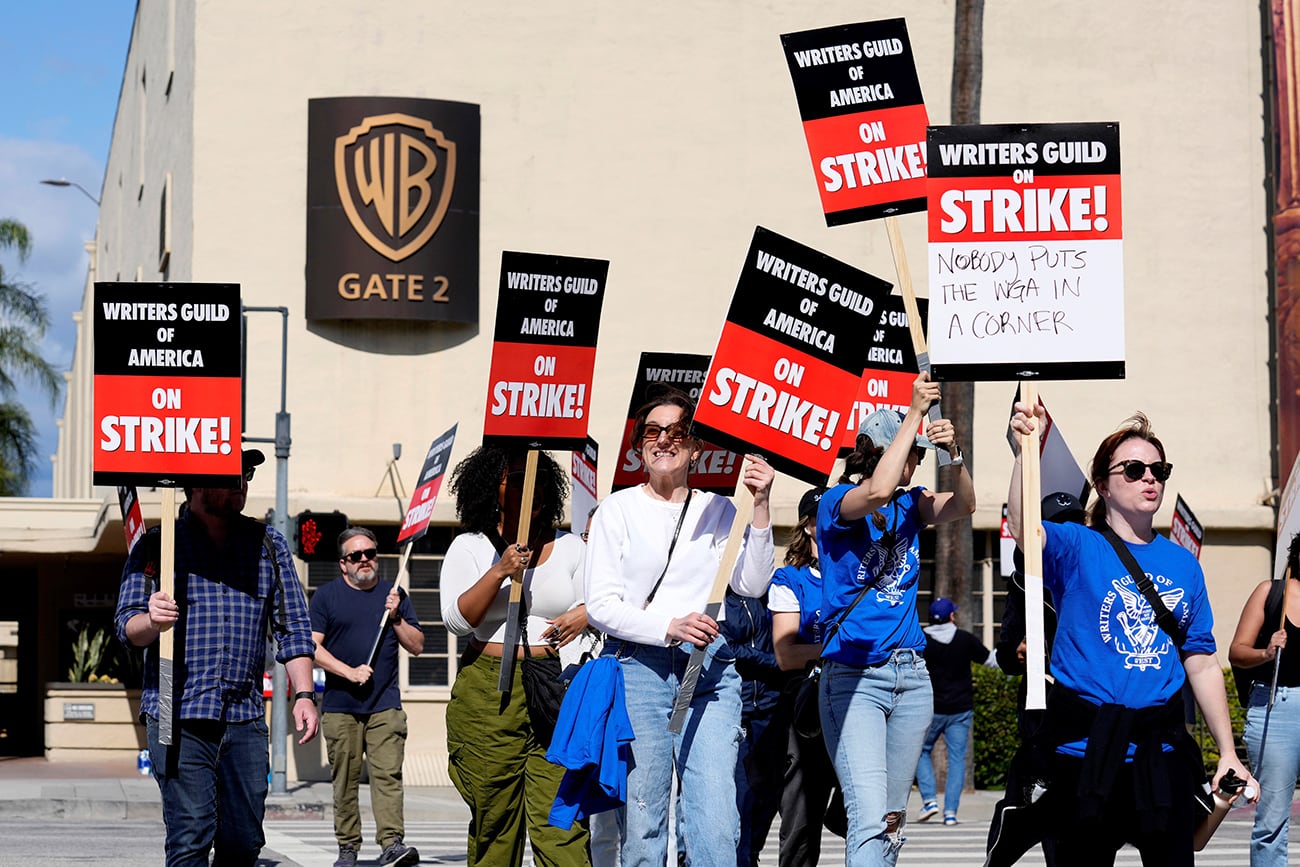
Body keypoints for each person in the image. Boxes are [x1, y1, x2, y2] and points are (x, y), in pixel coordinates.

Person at [1007, 405, 1256, 867]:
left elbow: (1199, 660)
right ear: (1102, 484)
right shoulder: (1077, 544)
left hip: (1159, 755)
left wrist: (1227, 752)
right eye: (1135, 469)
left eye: (1159, 470)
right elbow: (1023, 530)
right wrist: (1025, 453)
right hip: (1082, 755)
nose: (1151, 479)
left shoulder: (1183, 564)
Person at [584, 388, 775, 867]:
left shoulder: (720, 509)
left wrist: (762, 505)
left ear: (696, 448)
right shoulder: (617, 510)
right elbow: (601, 606)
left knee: (714, 822)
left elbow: (752, 584)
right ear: (638, 447)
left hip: (710, 674)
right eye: (653, 431)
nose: (664, 439)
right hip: (639, 672)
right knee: (645, 825)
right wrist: (669, 624)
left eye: (677, 432)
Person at [114, 448, 320, 867]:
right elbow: (127, 626)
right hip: (177, 710)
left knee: (244, 840)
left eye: (245, 475)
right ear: (196, 484)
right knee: (191, 834)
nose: (240, 484)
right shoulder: (158, 545)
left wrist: (303, 693)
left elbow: (293, 626)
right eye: (229, 476)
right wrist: (151, 621)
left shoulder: (268, 545)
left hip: (243, 716)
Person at [816, 374, 975, 867]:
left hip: (911, 675)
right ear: (885, 448)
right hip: (855, 676)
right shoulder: (836, 502)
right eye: (914, 452)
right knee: (866, 815)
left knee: (890, 818)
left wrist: (956, 456)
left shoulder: (912, 501)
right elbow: (878, 490)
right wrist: (913, 415)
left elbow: (966, 505)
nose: (917, 461)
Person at [440, 445, 591, 867]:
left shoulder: (570, 547)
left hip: (556, 685)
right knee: (495, 822)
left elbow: (603, 604)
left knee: (562, 822)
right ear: (492, 487)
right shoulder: (470, 547)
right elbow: (456, 619)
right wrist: (499, 571)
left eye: (540, 478)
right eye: (518, 479)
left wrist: (585, 612)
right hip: (489, 691)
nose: (533, 488)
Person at [310, 526, 424, 867]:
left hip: (384, 704)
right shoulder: (326, 597)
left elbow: (417, 645)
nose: (364, 560)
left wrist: (397, 616)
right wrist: (348, 672)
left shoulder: (394, 594)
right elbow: (311, 647)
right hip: (340, 706)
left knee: (388, 775)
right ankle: (348, 848)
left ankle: (391, 843)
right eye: (355, 556)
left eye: (370, 554)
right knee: (344, 780)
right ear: (343, 564)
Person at [984, 491, 1085, 867]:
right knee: (1024, 811)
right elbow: (1006, 654)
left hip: (1089, 715)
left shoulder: (1096, 574)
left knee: (1079, 824)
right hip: (1042, 720)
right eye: (1057, 526)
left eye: (1075, 524)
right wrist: (1021, 651)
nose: (1066, 533)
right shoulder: (1024, 584)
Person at [769, 485, 842, 867]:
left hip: (856, 698)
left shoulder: (860, 574)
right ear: (807, 526)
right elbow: (785, 655)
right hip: (809, 706)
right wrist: (838, 650)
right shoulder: (791, 579)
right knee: (801, 816)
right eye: (818, 517)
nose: (825, 524)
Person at [1228, 532, 1300, 867]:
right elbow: (1237, 652)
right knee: (1272, 822)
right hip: (1278, 706)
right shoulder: (1272, 593)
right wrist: (1267, 652)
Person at [721, 584, 789, 866]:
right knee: (741, 793)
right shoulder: (719, 596)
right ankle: (742, 859)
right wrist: (776, 663)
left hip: (772, 704)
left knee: (770, 791)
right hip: (738, 705)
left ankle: (752, 852)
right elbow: (728, 647)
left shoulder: (768, 592)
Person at [914, 597, 997, 826]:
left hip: (932, 708)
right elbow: (990, 660)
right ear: (952, 616)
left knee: (920, 751)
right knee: (957, 760)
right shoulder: (964, 639)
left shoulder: (922, 641)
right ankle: (950, 813)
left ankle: (930, 799)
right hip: (961, 709)